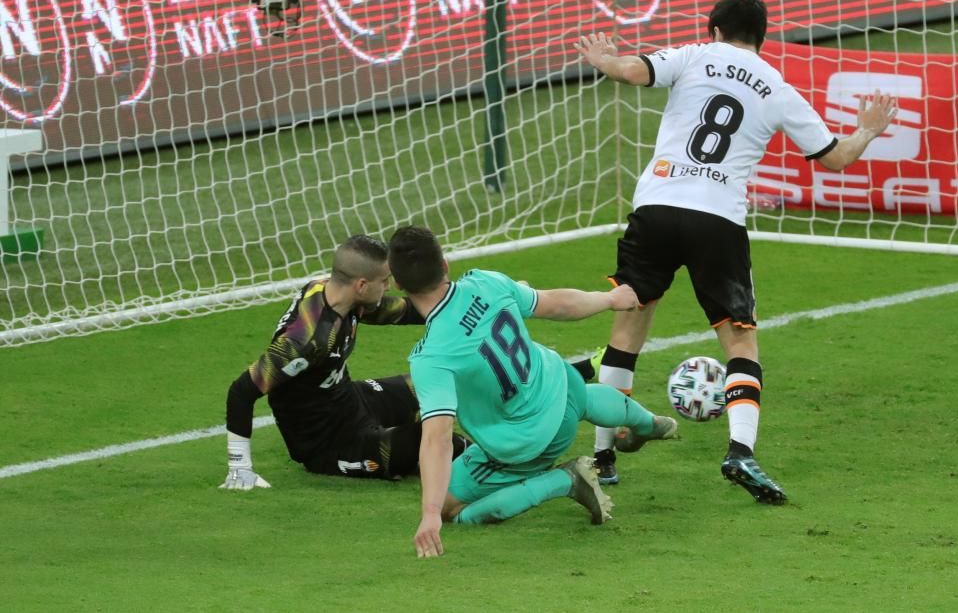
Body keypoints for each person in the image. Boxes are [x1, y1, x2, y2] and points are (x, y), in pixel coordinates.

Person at [574, 0, 898, 502]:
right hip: (718, 220)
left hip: (656, 207)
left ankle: (604, 457)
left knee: (628, 325)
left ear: (715, 30)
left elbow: (633, 71)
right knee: (739, 343)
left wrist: (603, 60)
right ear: (761, 38)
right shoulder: (776, 86)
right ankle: (740, 451)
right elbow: (836, 159)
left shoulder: (695, 55)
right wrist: (868, 130)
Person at [387, 225, 677, 558]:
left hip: (531, 442)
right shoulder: (486, 282)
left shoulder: (431, 357)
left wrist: (430, 513)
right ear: (445, 264)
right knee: (585, 395)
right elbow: (556, 303)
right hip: (563, 384)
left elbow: (437, 438)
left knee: (451, 509)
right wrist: (610, 299)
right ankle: (648, 423)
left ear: (397, 285)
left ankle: (565, 480)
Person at [219, 234, 464, 489]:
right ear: (361, 285)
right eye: (384, 281)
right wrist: (240, 468)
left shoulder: (341, 296)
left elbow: (401, 311)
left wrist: (460, 307)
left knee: (445, 382)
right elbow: (241, 391)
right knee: (442, 443)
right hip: (331, 443)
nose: (390, 286)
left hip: (351, 400)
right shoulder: (306, 342)